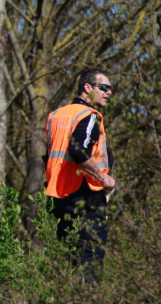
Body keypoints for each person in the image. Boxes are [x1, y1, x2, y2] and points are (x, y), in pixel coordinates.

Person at [45, 68, 115, 284]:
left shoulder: (55, 116)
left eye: (111, 90)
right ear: (88, 88)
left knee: (64, 258)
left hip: (58, 194)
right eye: (104, 88)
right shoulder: (90, 116)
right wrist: (104, 179)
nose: (108, 93)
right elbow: (78, 151)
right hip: (86, 195)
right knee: (91, 256)